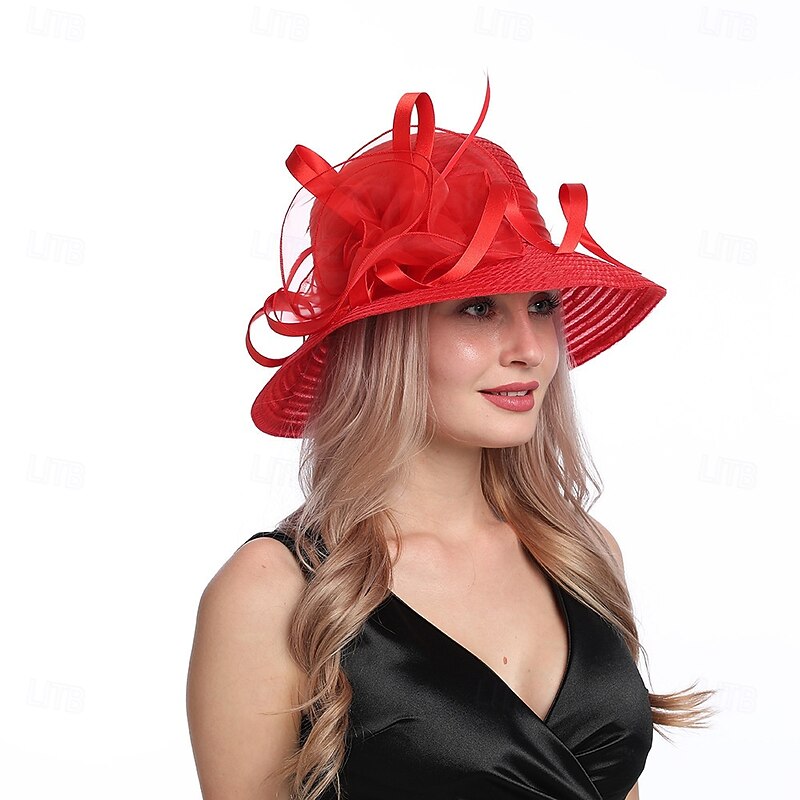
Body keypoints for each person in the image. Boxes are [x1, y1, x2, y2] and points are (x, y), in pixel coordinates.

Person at [186, 82, 716, 800]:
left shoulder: (582, 553)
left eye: (541, 305)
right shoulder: (275, 593)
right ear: (387, 341)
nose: (530, 349)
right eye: (477, 309)